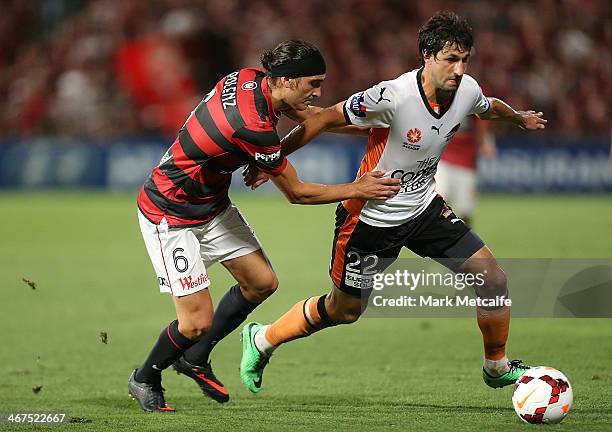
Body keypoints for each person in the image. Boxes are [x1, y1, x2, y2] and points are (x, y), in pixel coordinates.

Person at [239, 11, 547, 395]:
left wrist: (518, 118)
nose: (459, 68)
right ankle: (262, 339)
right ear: (428, 56)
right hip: (370, 220)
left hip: (423, 209)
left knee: (493, 279)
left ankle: (497, 367)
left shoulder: (466, 89)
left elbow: (488, 105)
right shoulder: (392, 96)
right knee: (344, 311)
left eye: (465, 59)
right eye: (451, 59)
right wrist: (271, 162)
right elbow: (321, 120)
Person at [128, 40, 400, 412]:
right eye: (313, 83)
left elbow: (311, 116)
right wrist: (358, 188)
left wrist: (376, 128)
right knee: (194, 323)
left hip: (209, 205)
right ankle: (145, 377)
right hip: (169, 213)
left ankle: (194, 358)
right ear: (286, 80)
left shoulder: (251, 79)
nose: (317, 91)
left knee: (261, 283)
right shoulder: (251, 125)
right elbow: (298, 193)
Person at [435, 115, 496, 227]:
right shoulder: (440, 98)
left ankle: (464, 242)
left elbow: (482, 120)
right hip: (442, 158)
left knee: (465, 211)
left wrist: (486, 141)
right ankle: (437, 241)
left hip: (466, 162)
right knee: (437, 204)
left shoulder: (477, 98)